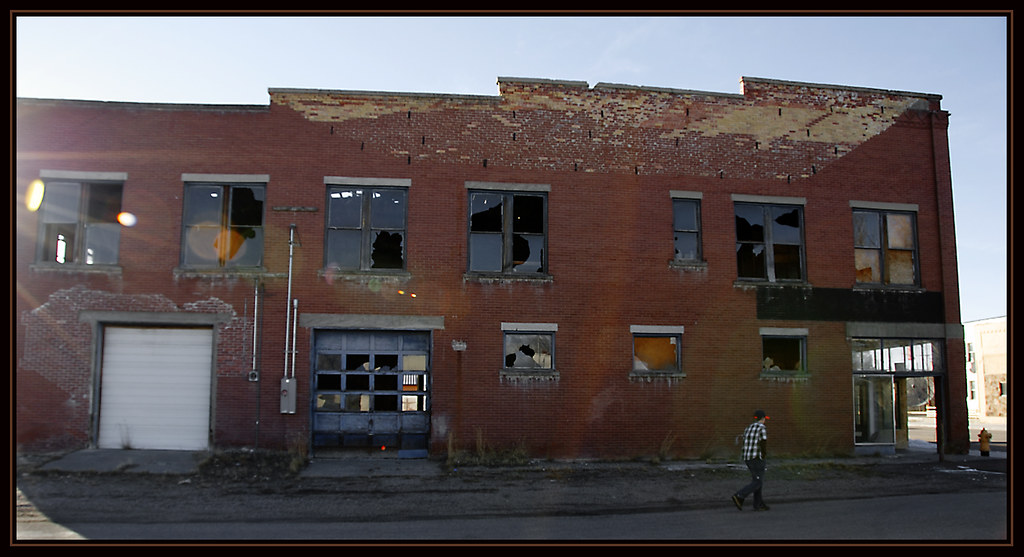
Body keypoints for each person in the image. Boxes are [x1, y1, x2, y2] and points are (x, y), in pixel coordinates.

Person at [732, 410, 770, 511]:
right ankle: (740, 495)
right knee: (758, 482)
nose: (765, 421)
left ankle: (758, 504)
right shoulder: (761, 428)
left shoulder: (748, 428)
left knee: (757, 480)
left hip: (747, 458)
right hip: (757, 458)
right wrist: (764, 456)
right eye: (764, 419)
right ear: (762, 418)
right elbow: (763, 443)